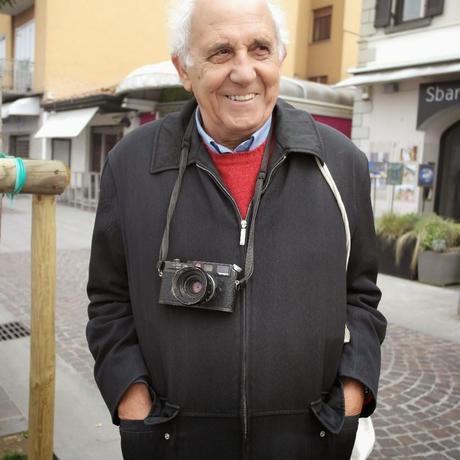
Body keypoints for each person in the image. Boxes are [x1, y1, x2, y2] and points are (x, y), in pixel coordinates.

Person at [86, 0, 387, 459]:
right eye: (221, 52)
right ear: (184, 69)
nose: (244, 72)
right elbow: (109, 301)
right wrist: (132, 400)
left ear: (279, 58)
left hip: (310, 442)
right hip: (174, 443)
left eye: (260, 48)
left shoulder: (341, 164)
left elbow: (362, 296)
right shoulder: (130, 166)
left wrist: (351, 393)